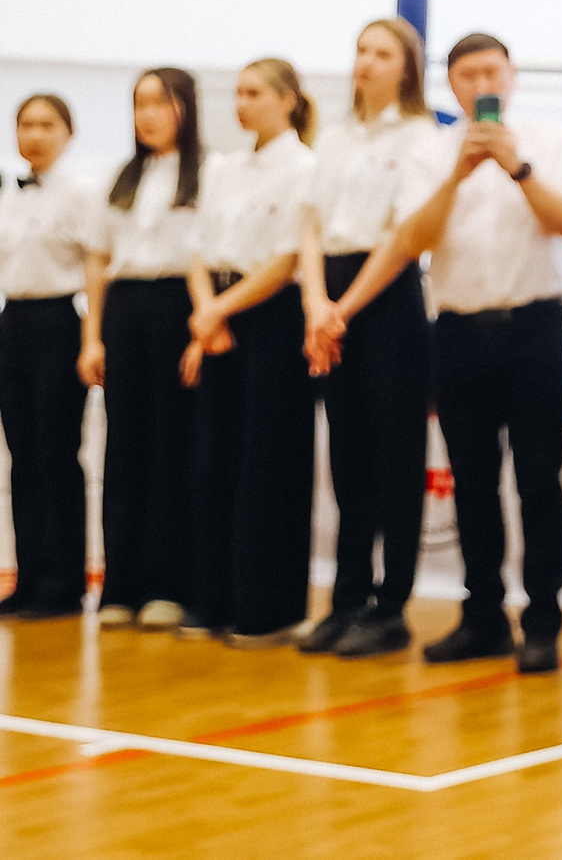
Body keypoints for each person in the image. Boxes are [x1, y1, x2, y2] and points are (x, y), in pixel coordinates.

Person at [335, 33, 562, 673]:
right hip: (457, 331)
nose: (482, 86)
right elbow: (412, 238)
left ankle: (544, 621)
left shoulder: (550, 141)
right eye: (468, 75)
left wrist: (516, 167)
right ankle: (483, 616)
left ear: (513, 75)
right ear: (451, 84)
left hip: (534, 323)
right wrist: (459, 173)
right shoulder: (429, 151)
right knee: (473, 482)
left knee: (538, 480)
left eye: (492, 73)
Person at [300, 18, 443, 660]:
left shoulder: (420, 137)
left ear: (407, 68)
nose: (366, 62)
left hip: (385, 296)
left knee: (394, 456)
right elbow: (309, 224)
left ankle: (392, 604)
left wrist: (343, 310)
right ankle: (347, 596)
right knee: (347, 455)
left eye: (381, 53)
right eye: (360, 50)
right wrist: (315, 306)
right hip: (329, 294)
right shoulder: (332, 138)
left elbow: (401, 234)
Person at [184, 60, 322, 647]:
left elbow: (287, 258)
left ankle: (267, 608)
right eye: (237, 94)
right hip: (217, 313)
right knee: (215, 459)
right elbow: (198, 247)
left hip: (270, 315)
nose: (242, 104)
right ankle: (213, 599)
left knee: (268, 463)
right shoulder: (222, 168)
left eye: (255, 93)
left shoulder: (305, 167)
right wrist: (204, 313)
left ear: (288, 100)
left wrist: (221, 309)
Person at [81, 68, 207, 631]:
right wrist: (93, 336)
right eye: (139, 104)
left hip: (180, 304)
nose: (148, 115)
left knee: (173, 444)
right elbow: (97, 259)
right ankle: (119, 585)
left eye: (160, 102)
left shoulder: (209, 172)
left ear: (185, 107)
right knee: (123, 446)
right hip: (126, 308)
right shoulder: (121, 177)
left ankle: (166, 585)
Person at [0, 95, 100, 621]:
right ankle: (29, 575)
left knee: (57, 453)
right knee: (21, 455)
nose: (34, 135)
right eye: (25, 124)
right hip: (13, 320)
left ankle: (63, 583)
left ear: (68, 131)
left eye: (46, 125)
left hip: (61, 322)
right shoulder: (8, 192)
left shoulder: (82, 192)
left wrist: (91, 338)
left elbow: (93, 266)